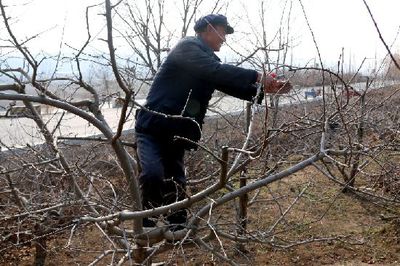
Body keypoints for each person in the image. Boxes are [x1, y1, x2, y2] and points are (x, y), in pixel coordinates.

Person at [135, 14, 292, 229]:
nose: (224, 39)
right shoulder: (186, 48)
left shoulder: (207, 60)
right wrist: (257, 76)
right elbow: (215, 72)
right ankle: (148, 225)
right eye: (222, 32)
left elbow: (226, 82)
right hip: (153, 126)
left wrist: (264, 89)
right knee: (153, 174)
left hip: (178, 130)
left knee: (177, 181)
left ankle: (177, 228)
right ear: (209, 29)